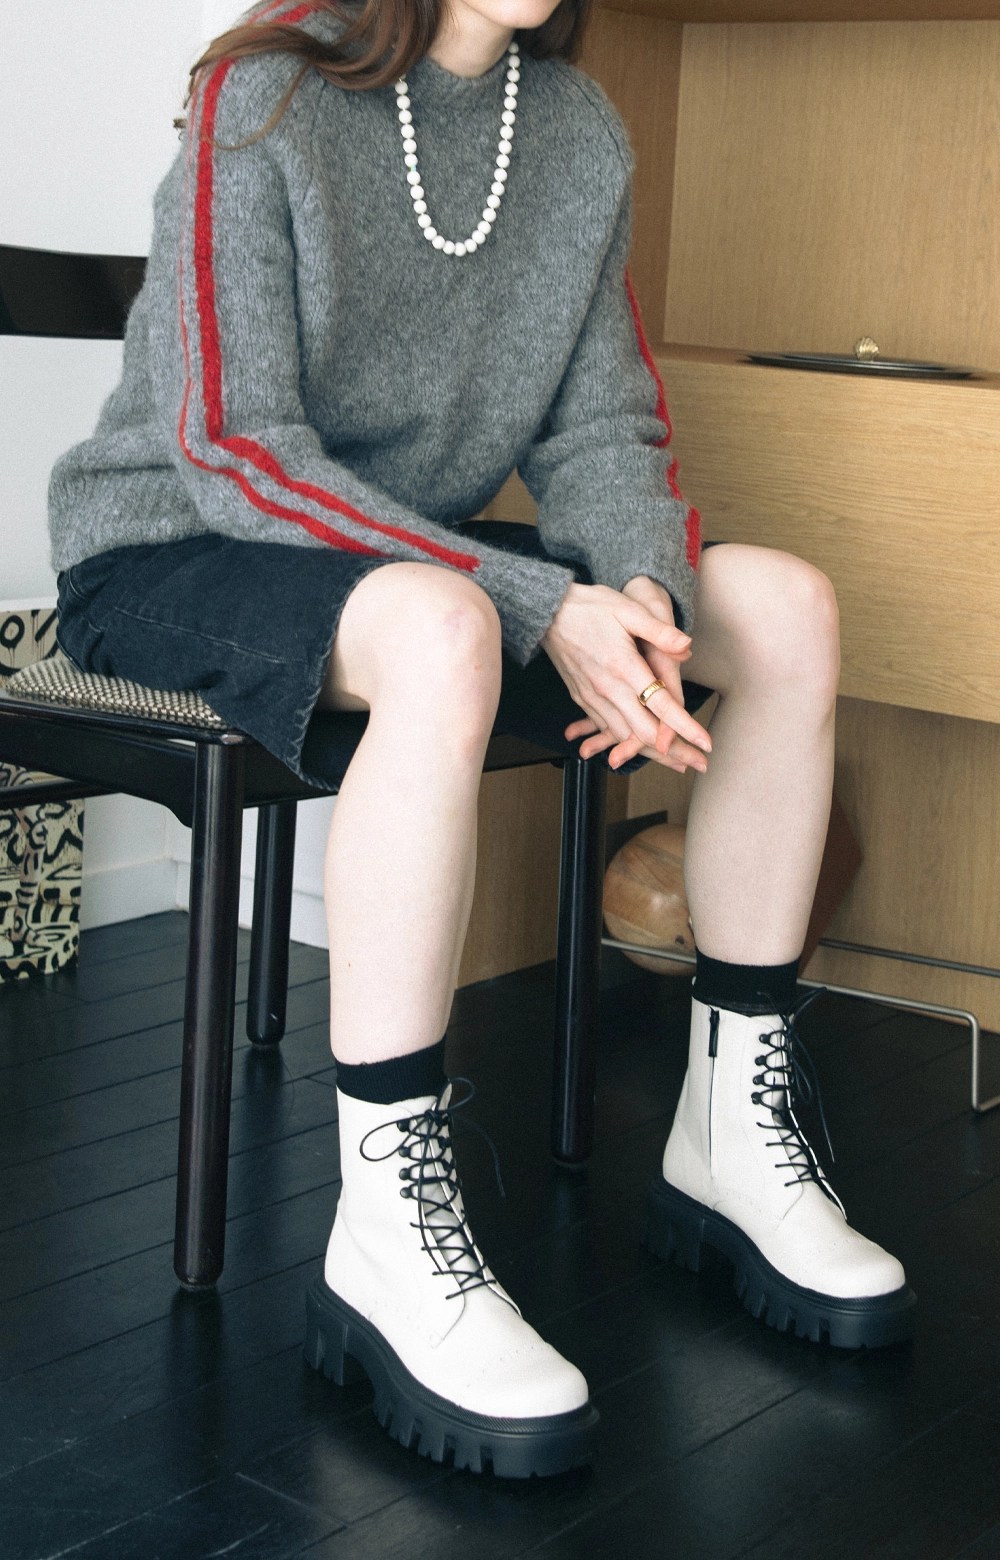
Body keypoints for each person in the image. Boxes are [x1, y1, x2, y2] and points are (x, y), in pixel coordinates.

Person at [49, 0, 915, 1480]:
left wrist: (638, 600)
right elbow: (233, 445)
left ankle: (732, 1136)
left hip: (411, 561)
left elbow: (600, 430)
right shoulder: (266, 93)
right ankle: (386, 1233)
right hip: (177, 544)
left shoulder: (572, 132)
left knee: (784, 611)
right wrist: (536, 602)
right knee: (450, 627)